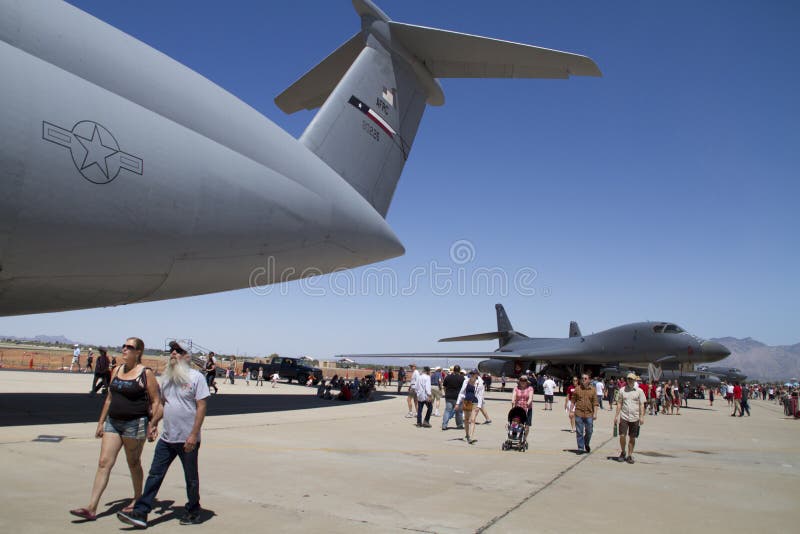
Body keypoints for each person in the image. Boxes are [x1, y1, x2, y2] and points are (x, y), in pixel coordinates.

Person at [117, 340, 210, 528]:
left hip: (187, 439)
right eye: (172, 350)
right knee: (155, 475)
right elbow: (162, 404)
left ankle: (193, 510)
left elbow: (201, 407)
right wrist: (153, 423)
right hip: (167, 437)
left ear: (187, 356)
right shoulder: (167, 378)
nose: (173, 353)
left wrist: (193, 434)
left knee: (191, 478)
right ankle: (141, 513)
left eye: (178, 351)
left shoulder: (196, 377)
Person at [70, 338, 160, 521]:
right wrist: (101, 422)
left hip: (135, 424)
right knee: (104, 462)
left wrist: (153, 424)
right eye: (124, 346)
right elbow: (110, 398)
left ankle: (137, 498)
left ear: (138, 352)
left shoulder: (146, 373)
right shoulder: (117, 370)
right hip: (113, 422)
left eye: (130, 347)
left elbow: (156, 401)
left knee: (133, 463)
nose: (125, 349)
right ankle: (91, 507)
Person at [614, 373, 646, 464]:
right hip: (624, 416)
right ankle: (623, 452)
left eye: (631, 379)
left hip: (635, 417)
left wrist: (642, 416)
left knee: (632, 437)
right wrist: (616, 416)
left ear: (635, 380)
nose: (629, 380)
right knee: (622, 435)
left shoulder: (639, 391)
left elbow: (641, 405)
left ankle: (630, 455)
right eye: (628, 379)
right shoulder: (622, 390)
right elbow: (619, 403)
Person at [455, 369, 485, 444]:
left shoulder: (480, 383)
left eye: (474, 374)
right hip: (467, 401)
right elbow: (461, 393)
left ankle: (471, 437)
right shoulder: (466, 381)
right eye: (471, 373)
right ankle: (467, 434)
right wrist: (457, 403)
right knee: (466, 419)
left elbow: (480, 395)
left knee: (473, 419)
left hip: (475, 402)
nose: (472, 375)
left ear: (477, 374)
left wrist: (479, 406)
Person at [573, 374, 598, 454]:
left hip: (589, 414)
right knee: (579, 431)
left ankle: (586, 443)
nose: (583, 379)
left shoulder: (593, 390)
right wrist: (570, 411)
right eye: (582, 378)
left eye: (585, 378)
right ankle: (580, 448)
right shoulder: (577, 389)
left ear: (589, 380)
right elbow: (573, 401)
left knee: (589, 431)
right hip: (579, 413)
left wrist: (595, 414)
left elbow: (595, 403)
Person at [442, 365, 465, 431]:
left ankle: (444, 425)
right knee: (459, 412)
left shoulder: (448, 377)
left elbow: (444, 387)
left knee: (447, 411)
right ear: (459, 370)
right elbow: (463, 388)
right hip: (458, 398)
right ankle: (459, 425)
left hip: (449, 397)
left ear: (453, 370)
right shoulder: (462, 378)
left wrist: (446, 393)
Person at [511, 376, 534, 441]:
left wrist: (528, 403)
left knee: (527, 425)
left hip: (527, 408)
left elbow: (530, 397)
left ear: (526, 382)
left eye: (524, 381)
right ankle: (514, 434)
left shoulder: (530, 388)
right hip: (518, 408)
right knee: (515, 422)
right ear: (519, 381)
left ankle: (524, 438)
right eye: (521, 381)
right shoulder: (516, 388)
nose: (523, 382)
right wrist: (512, 400)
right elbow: (514, 395)